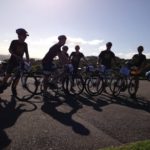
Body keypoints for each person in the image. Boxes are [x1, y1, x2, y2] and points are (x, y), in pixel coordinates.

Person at [1, 28, 30, 95]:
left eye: (26, 36)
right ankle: (1, 86)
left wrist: (28, 60)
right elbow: (10, 50)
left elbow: (27, 53)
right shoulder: (14, 42)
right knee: (8, 74)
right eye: (24, 35)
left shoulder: (25, 44)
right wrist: (16, 56)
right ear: (19, 36)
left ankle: (14, 88)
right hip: (12, 61)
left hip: (20, 62)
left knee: (18, 77)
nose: (25, 37)